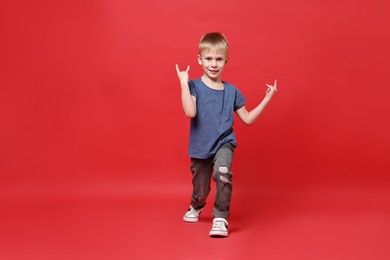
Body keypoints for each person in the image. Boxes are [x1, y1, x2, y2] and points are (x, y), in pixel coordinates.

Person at [175, 32, 277, 237]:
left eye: (219, 59)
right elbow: (190, 112)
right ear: (200, 59)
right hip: (201, 147)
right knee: (201, 190)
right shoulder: (194, 86)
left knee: (223, 172)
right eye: (209, 59)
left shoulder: (232, 91)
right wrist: (184, 83)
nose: (213, 64)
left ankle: (220, 217)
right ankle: (196, 205)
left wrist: (267, 99)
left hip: (224, 143)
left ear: (226, 61)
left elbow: (247, 119)